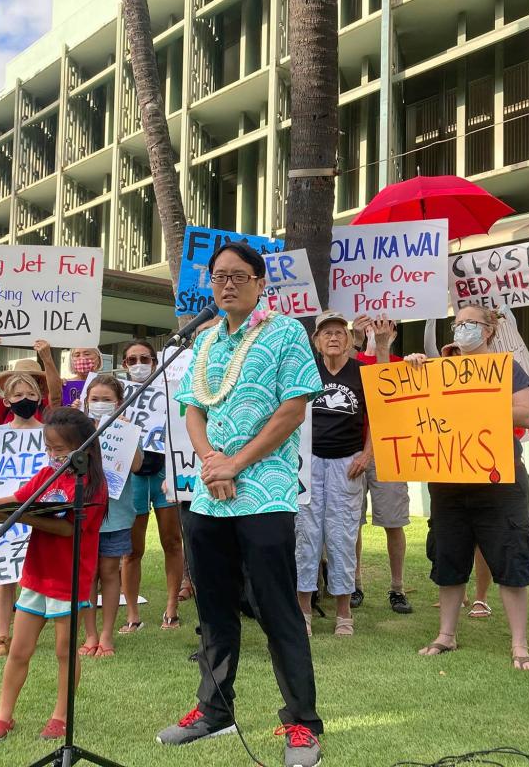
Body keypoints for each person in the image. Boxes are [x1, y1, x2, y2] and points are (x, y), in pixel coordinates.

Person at [156, 241, 323, 767]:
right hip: (209, 496)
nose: (227, 284)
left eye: (238, 275)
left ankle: (302, 724)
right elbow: (192, 410)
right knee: (212, 610)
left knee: (277, 610)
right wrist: (211, 461)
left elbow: (292, 411)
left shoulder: (286, 332)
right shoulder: (205, 341)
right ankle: (215, 712)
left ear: (259, 282)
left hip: (266, 491)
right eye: (219, 276)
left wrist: (237, 464)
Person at [0, 407, 108, 743]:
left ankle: (60, 715)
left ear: (85, 449)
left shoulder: (93, 487)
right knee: (19, 650)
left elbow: (66, 529)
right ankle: (3, 717)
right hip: (36, 576)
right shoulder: (47, 476)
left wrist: (22, 517)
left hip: (68, 580)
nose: (53, 456)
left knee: (65, 651)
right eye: (49, 449)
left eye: (60, 450)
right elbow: (20, 497)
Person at [409, 306, 529, 670]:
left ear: (489, 331)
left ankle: (519, 644)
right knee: (448, 555)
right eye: (458, 323)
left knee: (511, 554)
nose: (462, 328)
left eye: (471, 323)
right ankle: (445, 635)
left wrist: (477, 401)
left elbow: (526, 414)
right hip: (448, 482)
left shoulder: (507, 369)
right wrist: (415, 367)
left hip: (500, 481)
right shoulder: (437, 370)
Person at [296, 312, 374, 637]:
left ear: (349, 339)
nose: (333, 337)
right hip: (309, 462)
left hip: (348, 463)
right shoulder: (305, 372)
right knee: (305, 534)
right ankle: (303, 610)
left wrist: (367, 454)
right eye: (326, 333)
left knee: (342, 534)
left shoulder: (364, 374)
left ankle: (344, 612)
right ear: (316, 341)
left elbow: (381, 418)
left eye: (339, 332)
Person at [119, 339, 185, 632]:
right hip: (132, 475)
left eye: (144, 358)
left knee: (172, 541)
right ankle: (132, 612)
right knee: (132, 549)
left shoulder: (171, 391)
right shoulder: (117, 395)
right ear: (124, 365)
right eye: (132, 360)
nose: (138, 365)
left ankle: (172, 607)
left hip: (164, 472)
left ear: (155, 362)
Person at [348, 314, 412, 614]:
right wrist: (357, 339)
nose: (377, 330)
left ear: (395, 331)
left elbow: (386, 395)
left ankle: (397, 588)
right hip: (352, 451)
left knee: (393, 521)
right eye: (372, 325)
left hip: (389, 452)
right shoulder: (355, 359)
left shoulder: (402, 364)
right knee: (352, 522)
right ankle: (354, 583)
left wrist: (383, 350)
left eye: (384, 325)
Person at [79, 374, 142, 657]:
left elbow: (139, 466)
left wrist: (128, 435)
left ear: (119, 403)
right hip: (84, 515)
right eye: (95, 400)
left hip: (115, 516)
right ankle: (90, 635)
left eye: (107, 400)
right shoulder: (77, 432)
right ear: (86, 402)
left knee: (109, 572)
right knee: (88, 575)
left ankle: (106, 635)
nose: (101, 404)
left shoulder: (127, 430)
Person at [0, 370, 47, 659]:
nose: (25, 400)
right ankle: (2, 636)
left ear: (40, 398)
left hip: (39, 511)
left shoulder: (50, 433)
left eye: (31, 395)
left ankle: (29, 631)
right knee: (4, 574)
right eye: (18, 395)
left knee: (38, 572)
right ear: (7, 401)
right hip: (6, 511)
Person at [0, 336, 61, 423]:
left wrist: (47, 359)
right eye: (19, 378)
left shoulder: (45, 405)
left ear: (40, 383)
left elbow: (56, 396)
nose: (24, 382)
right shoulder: (5, 407)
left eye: (31, 378)